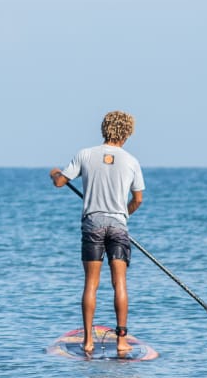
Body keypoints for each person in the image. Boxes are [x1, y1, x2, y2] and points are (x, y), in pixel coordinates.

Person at [50, 110, 145, 356]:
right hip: (118, 225)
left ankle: (88, 341)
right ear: (127, 133)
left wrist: (55, 173)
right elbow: (138, 199)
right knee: (119, 283)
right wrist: (123, 215)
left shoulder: (85, 154)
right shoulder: (131, 160)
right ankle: (122, 341)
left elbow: (61, 182)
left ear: (104, 129)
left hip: (92, 224)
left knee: (91, 284)